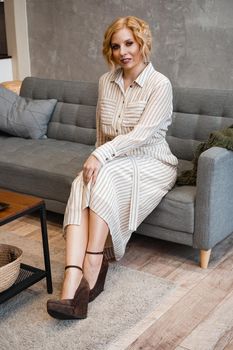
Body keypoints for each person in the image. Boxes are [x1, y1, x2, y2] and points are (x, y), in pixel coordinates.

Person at [47, 15, 178, 320]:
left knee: (100, 170)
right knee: (83, 180)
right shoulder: (105, 82)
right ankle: (71, 283)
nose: (123, 52)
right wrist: (98, 158)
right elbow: (101, 134)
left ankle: (94, 263)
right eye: (116, 46)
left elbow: (141, 135)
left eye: (129, 43)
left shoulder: (160, 84)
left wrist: (101, 157)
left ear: (142, 42)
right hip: (115, 159)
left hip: (152, 161)